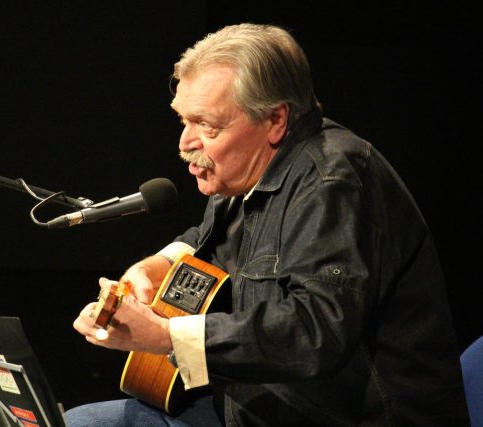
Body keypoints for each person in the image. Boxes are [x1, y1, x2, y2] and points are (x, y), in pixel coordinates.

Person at [65, 23, 470, 426]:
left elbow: (315, 331)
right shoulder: (246, 175)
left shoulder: (333, 182)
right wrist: (156, 266)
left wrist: (165, 337)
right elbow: (216, 241)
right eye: (183, 121)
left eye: (207, 125)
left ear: (276, 119)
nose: (185, 142)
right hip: (254, 404)